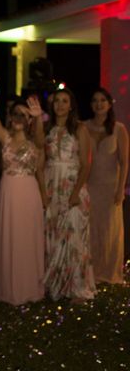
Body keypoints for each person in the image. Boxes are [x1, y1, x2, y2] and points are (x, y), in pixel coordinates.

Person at [29, 90, 96, 303]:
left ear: (71, 105)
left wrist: (76, 193)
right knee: (52, 235)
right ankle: (55, 285)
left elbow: (86, 164)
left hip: (72, 184)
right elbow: (38, 145)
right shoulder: (47, 128)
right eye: (57, 101)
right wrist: (38, 117)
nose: (60, 105)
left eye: (64, 101)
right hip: (51, 185)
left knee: (74, 236)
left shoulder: (80, 128)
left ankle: (77, 287)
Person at [0, 100, 45, 305]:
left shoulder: (35, 141)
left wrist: (37, 116)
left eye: (23, 115)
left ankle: (28, 286)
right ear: (10, 117)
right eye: (15, 114)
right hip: (8, 192)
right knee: (9, 235)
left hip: (28, 192)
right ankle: (6, 286)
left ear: (28, 120)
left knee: (26, 236)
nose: (18, 119)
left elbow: (40, 138)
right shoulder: (5, 138)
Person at [84, 87, 128, 284]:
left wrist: (121, 189)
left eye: (103, 100)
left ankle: (110, 273)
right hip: (89, 186)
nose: (99, 104)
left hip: (111, 188)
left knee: (110, 230)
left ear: (109, 104)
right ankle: (92, 271)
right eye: (95, 100)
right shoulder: (83, 127)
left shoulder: (119, 128)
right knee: (90, 229)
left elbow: (124, 162)